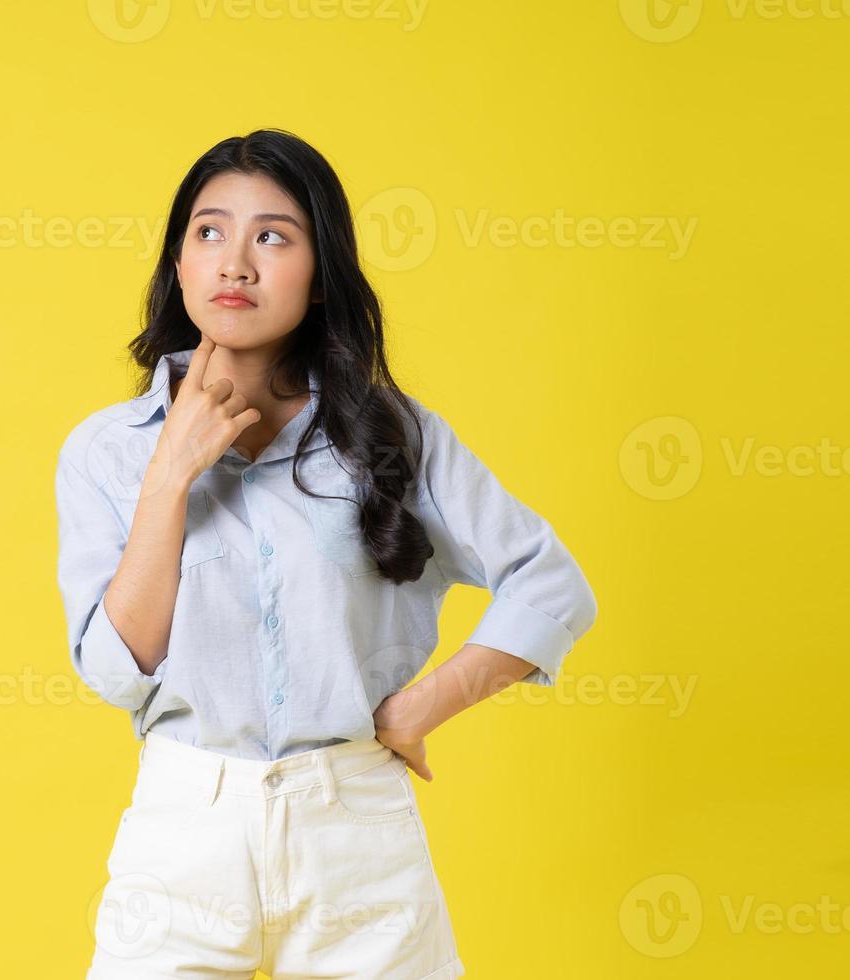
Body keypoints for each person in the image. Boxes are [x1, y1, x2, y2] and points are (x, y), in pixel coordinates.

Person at [54, 129, 598, 979]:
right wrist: (168, 477)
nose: (235, 262)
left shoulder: (393, 435)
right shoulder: (106, 452)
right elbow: (119, 672)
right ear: (178, 264)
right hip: (183, 836)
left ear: (318, 274)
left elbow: (552, 586)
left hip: (356, 835)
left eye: (272, 236)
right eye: (208, 232)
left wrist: (422, 709)